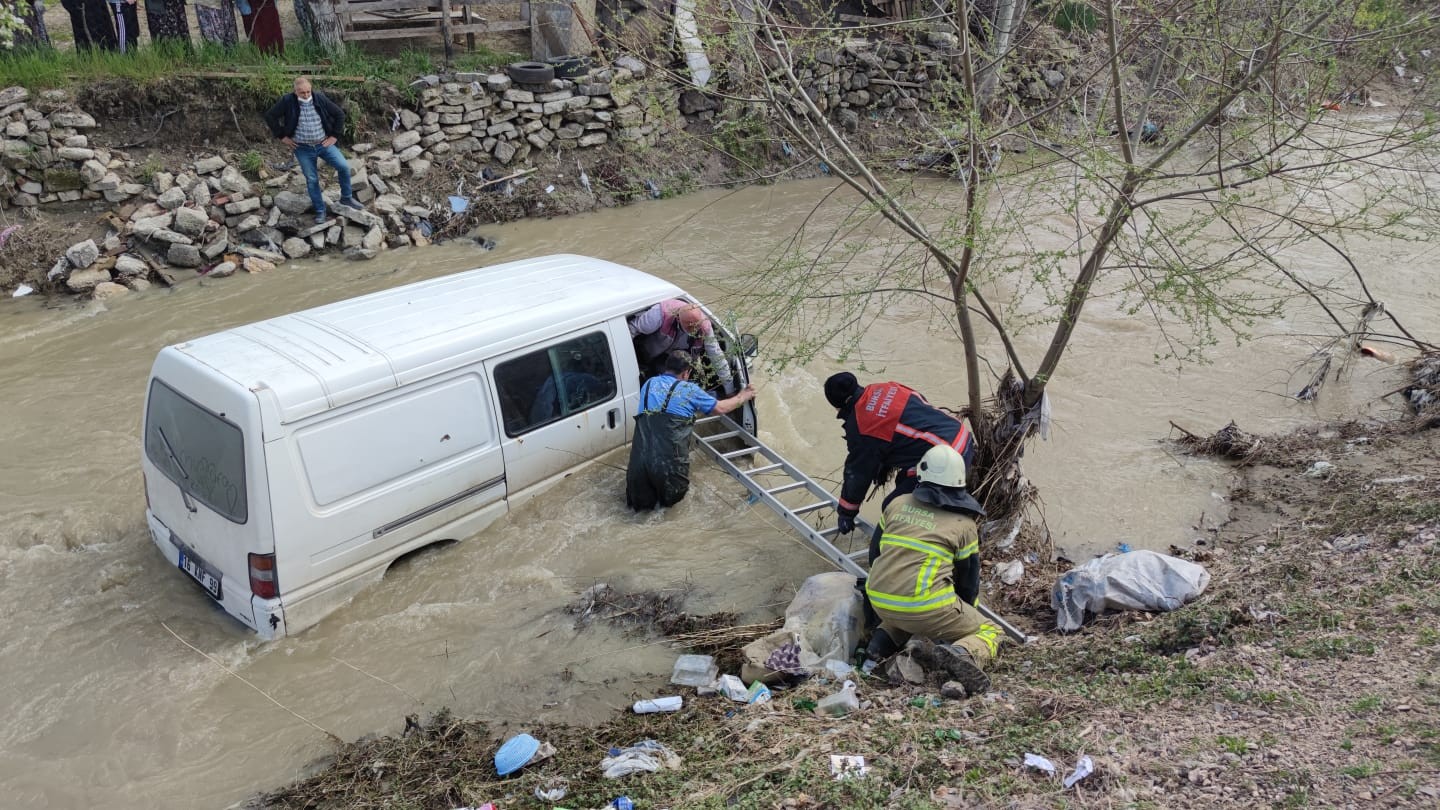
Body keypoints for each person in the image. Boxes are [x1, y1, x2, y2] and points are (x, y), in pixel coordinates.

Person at [864, 444, 1002, 695]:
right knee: (991, 630)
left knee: (906, 612)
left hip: (878, 599)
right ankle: (964, 652)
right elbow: (968, 585)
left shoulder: (897, 503)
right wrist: (960, 618)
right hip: (924, 607)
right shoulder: (964, 524)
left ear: (921, 475)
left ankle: (879, 644)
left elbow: (874, 555)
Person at [824, 372, 976, 563]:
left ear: (838, 405)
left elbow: (858, 473)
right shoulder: (887, 388)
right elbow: (909, 419)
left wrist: (846, 512)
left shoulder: (861, 425)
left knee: (894, 507)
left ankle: (892, 559)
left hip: (946, 459)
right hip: (962, 438)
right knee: (904, 481)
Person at [626, 350, 755, 510]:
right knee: (669, 510)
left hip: (638, 464)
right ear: (686, 372)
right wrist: (743, 396)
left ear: (667, 366)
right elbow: (721, 408)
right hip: (668, 467)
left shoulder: (649, 384)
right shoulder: (689, 390)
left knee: (640, 511)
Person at [264, 77, 363, 225]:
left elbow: (339, 114)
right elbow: (270, 116)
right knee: (312, 179)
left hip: (324, 144)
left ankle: (346, 198)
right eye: (302, 93)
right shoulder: (287, 101)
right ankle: (320, 211)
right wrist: (282, 136)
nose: (306, 95)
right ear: (295, 91)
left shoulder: (319, 98)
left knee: (343, 166)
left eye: (308, 92)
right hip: (302, 148)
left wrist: (334, 136)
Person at [628, 299, 736, 395]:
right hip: (655, 355)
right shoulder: (660, 314)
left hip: (683, 360)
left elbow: (717, 357)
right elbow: (631, 329)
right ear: (678, 319)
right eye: (689, 325)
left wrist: (730, 389)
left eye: (696, 326)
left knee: (690, 390)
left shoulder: (705, 327)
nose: (693, 330)